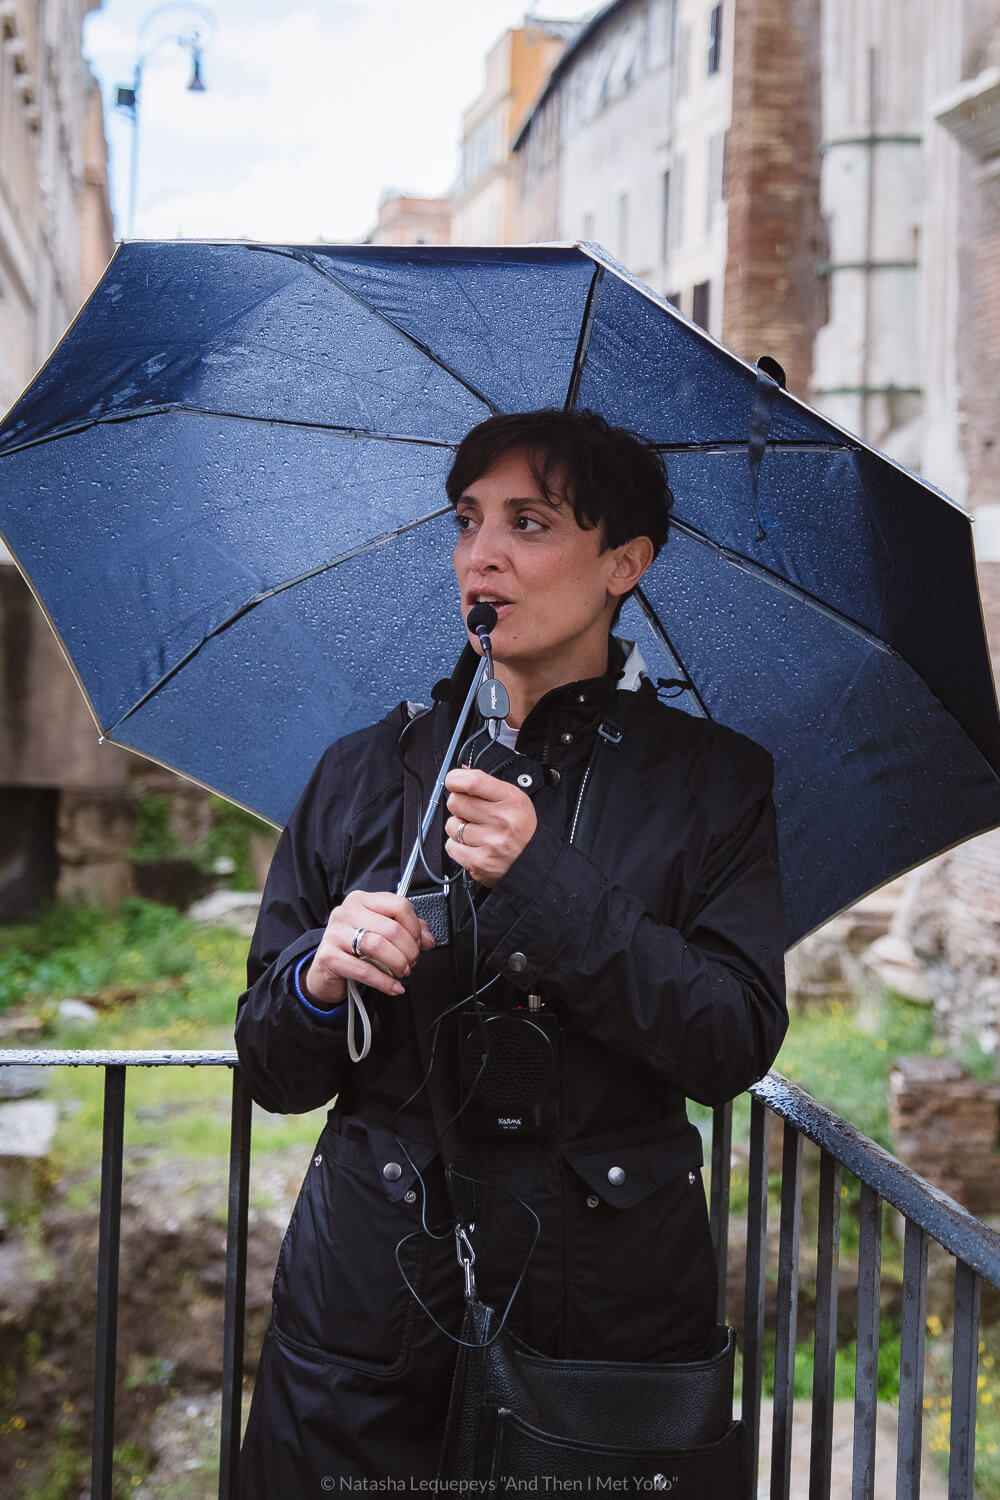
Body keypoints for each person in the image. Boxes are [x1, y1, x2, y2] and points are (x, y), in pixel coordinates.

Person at [232, 408, 788, 1495]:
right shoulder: (364, 771)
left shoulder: (714, 781)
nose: (480, 553)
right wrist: (313, 979)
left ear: (625, 562)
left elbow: (727, 1041)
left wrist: (542, 881)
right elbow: (269, 1070)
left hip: (602, 1311)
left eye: (528, 523)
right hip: (366, 1301)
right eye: (467, 519)